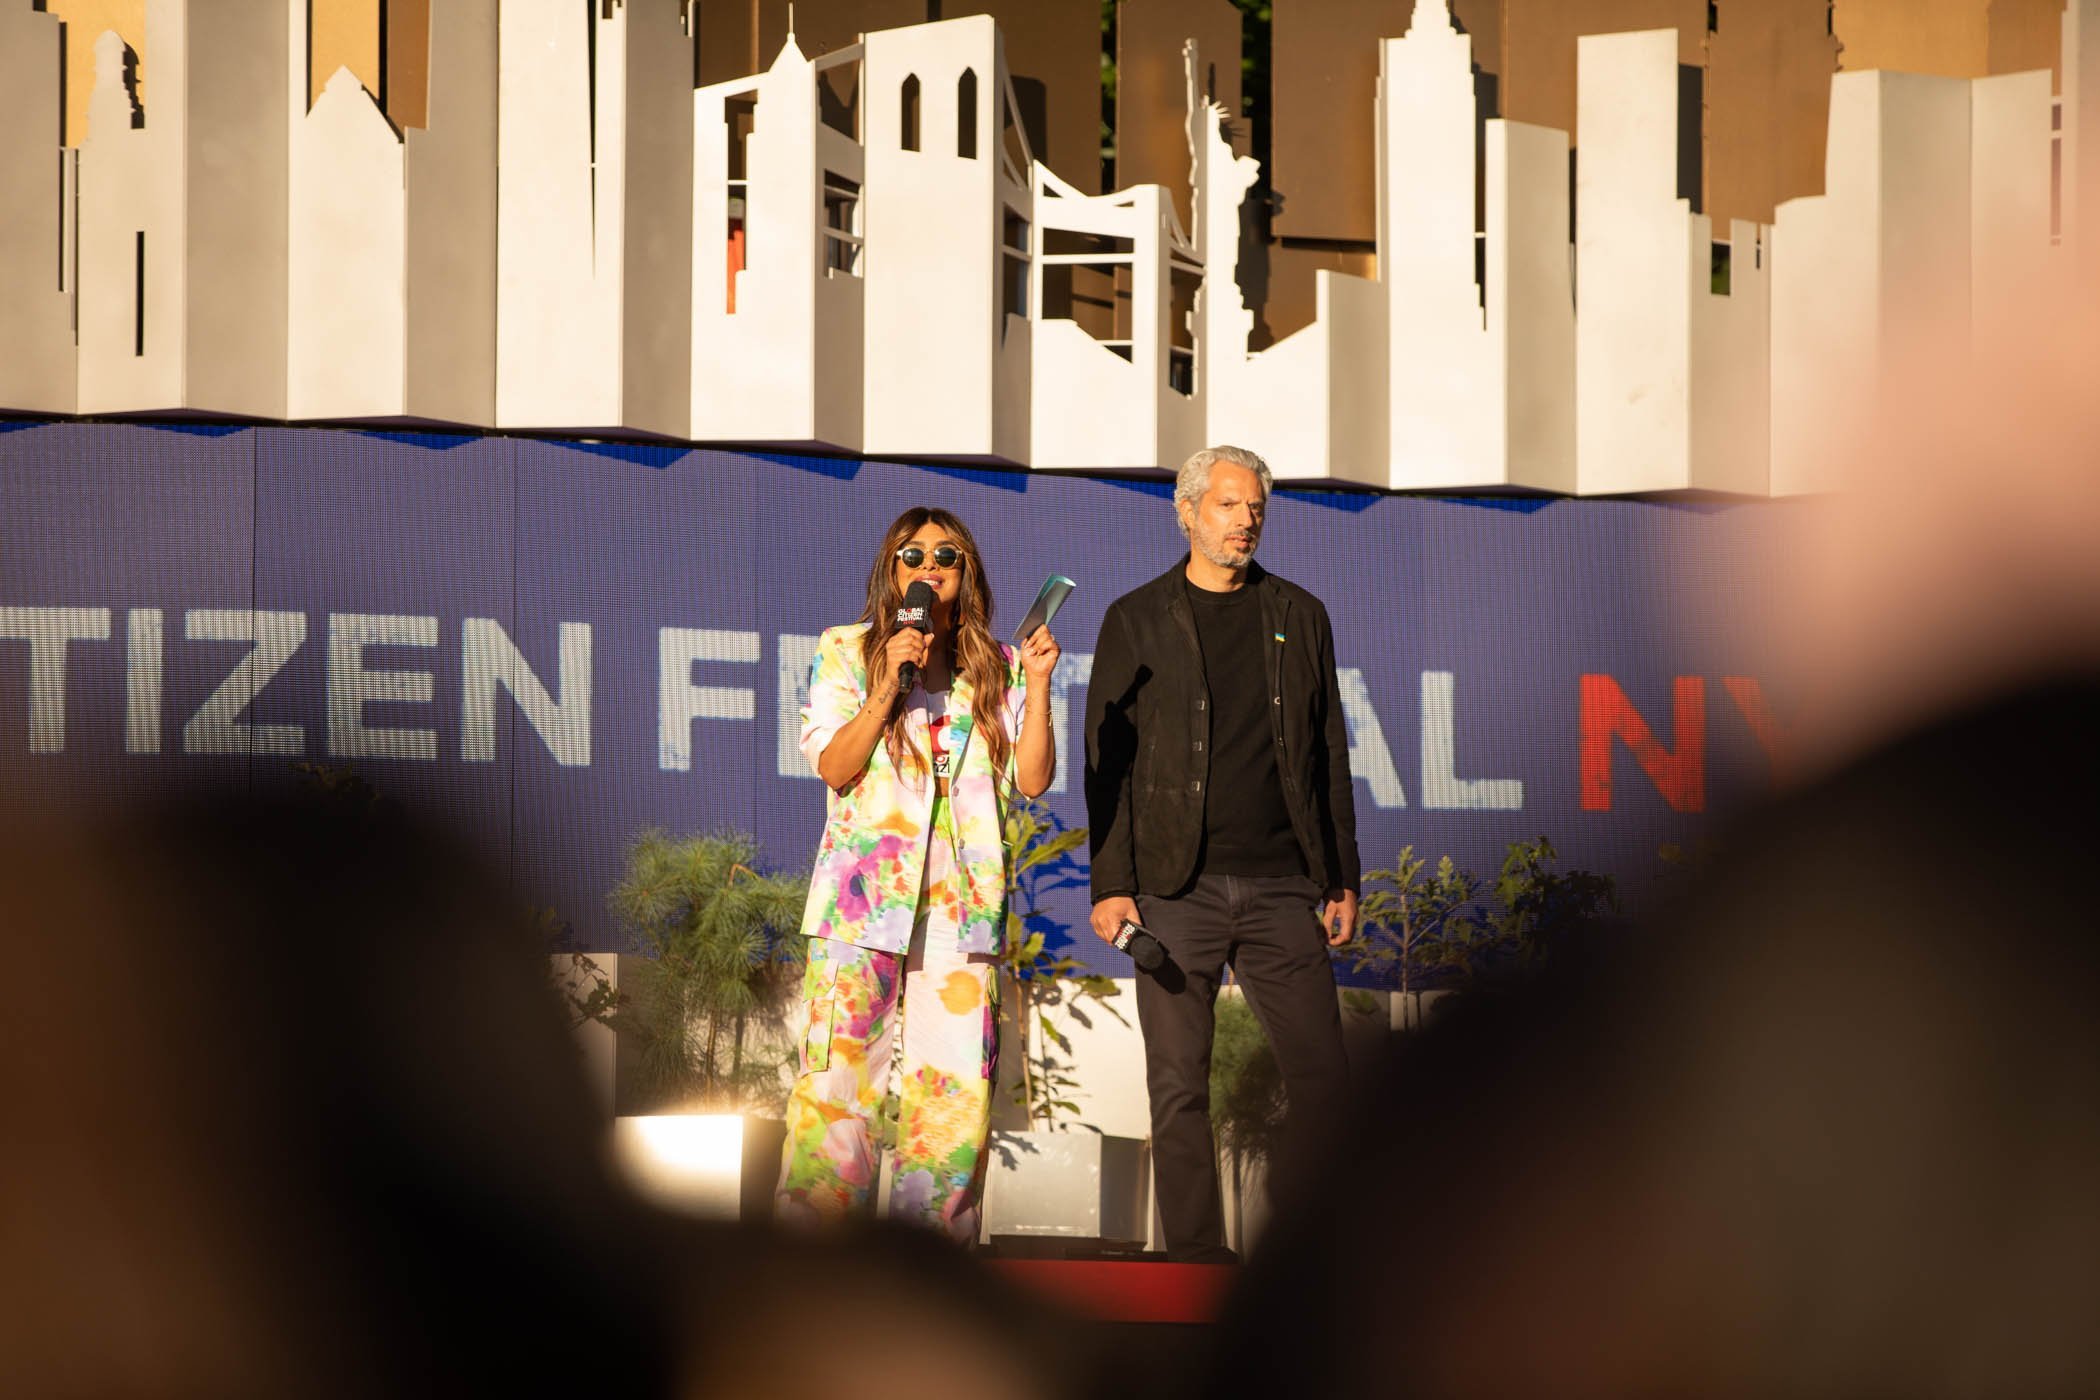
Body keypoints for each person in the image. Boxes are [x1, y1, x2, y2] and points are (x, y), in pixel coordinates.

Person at [1083, 444, 1359, 1263]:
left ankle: (1310, 1259)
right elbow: (1109, 761)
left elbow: (1328, 753)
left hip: (1283, 887)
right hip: (1174, 892)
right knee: (1178, 1088)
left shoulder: (1300, 614)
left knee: (1322, 1084)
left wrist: (1339, 874)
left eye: (1256, 509)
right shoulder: (1136, 617)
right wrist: (1112, 883)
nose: (1246, 522)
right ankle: (1197, 1263)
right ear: (1189, 512)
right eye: (1230, 506)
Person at [777, 506, 1060, 1244]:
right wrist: (891, 681)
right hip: (861, 903)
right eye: (912, 556)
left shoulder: (993, 664)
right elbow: (836, 766)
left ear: (967, 574)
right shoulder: (846, 649)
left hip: (959, 909)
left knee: (952, 1100)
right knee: (837, 1091)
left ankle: (928, 1277)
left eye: (946, 556)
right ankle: (816, 1265)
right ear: (890, 572)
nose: (928, 567)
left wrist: (1037, 683)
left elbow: (1033, 778)